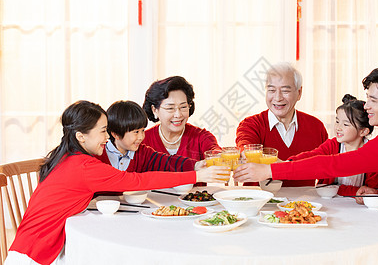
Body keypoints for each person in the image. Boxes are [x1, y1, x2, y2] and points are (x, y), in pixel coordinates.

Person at [234, 65, 378, 263]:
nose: (366, 106)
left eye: (373, 100)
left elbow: (331, 165)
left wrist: (270, 169)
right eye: (367, 99)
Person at [6, 100, 226, 265]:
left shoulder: (67, 158)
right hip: (35, 255)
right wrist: (196, 177)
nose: (106, 138)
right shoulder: (85, 167)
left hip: (32, 245)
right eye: (103, 132)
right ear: (81, 136)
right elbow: (136, 180)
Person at [235, 62, 328, 186]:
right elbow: (246, 148)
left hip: (304, 203)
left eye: (285, 91)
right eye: (272, 90)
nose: (278, 98)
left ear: (299, 93)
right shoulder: (251, 124)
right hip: (260, 202)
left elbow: (326, 172)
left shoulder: (316, 127)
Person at [288, 94, 378, 197]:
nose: (338, 127)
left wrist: (343, 190)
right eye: (337, 121)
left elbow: (371, 191)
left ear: (363, 131)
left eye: (345, 124)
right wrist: (289, 163)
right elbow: (312, 157)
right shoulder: (332, 145)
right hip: (328, 201)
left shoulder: (372, 153)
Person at [97, 100, 200, 173]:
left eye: (143, 130)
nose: (141, 137)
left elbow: (169, 162)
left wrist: (196, 165)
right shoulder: (97, 154)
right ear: (115, 134)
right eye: (136, 132)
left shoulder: (143, 153)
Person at [142, 76, 221, 160]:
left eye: (183, 107)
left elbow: (216, 153)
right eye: (170, 108)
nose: (178, 115)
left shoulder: (202, 137)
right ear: (154, 110)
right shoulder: (142, 141)